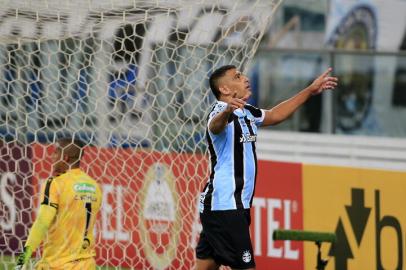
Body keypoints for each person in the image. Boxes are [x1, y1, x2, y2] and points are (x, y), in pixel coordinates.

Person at [196, 65, 338, 270]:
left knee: (206, 267)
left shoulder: (247, 112)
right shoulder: (219, 113)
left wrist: (309, 90)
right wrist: (227, 110)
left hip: (226, 207)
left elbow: (275, 115)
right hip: (226, 206)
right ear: (225, 90)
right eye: (237, 76)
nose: (245, 78)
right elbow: (215, 126)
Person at [15, 138, 102, 270]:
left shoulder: (55, 183)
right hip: (87, 264)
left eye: (55, 153)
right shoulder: (94, 185)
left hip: (58, 264)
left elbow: (42, 222)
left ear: (65, 157)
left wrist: (22, 260)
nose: (52, 157)